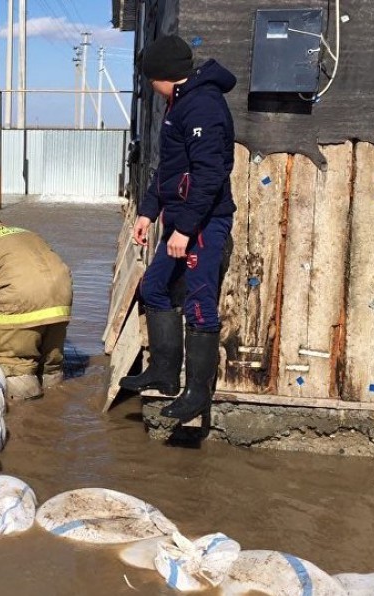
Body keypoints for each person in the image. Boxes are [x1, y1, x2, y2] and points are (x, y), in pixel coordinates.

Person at [119, 34, 236, 424]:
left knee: (199, 304)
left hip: (203, 221)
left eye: (152, 78)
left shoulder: (202, 105)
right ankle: (165, 373)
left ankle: (197, 394)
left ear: (166, 76)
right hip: (181, 219)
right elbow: (169, 171)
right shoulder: (178, 104)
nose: (150, 86)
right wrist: (148, 213)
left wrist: (185, 230)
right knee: (153, 287)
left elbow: (209, 175)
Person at [0, 214, 73, 402]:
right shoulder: (27, 233)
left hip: (23, 297)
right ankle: (57, 409)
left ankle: (29, 420)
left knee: (15, 367)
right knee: (51, 367)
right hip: (62, 296)